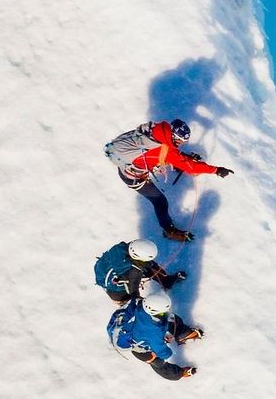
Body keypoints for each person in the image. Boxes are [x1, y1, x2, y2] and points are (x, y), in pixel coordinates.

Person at [104, 118, 234, 241]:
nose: (181, 145)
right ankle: (168, 230)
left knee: (167, 157)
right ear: (174, 138)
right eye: (180, 142)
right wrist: (216, 170)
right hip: (133, 177)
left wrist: (179, 158)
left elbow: (166, 153)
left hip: (129, 162)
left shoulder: (156, 129)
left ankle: (176, 164)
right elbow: (191, 168)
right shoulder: (165, 151)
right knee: (160, 201)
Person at [105, 291, 198, 381]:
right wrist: (168, 353)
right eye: (163, 312)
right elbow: (161, 351)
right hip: (141, 348)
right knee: (158, 363)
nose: (166, 311)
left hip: (136, 332)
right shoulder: (153, 331)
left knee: (170, 319)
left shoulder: (141, 305)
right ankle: (178, 373)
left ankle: (184, 333)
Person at [93, 237, 185, 304]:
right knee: (124, 299)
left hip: (102, 271)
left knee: (150, 267)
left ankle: (165, 281)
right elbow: (134, 292)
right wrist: (138, 301)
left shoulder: (120, 248)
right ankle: (123, 303)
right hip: (115, 289)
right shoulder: (134, 272)